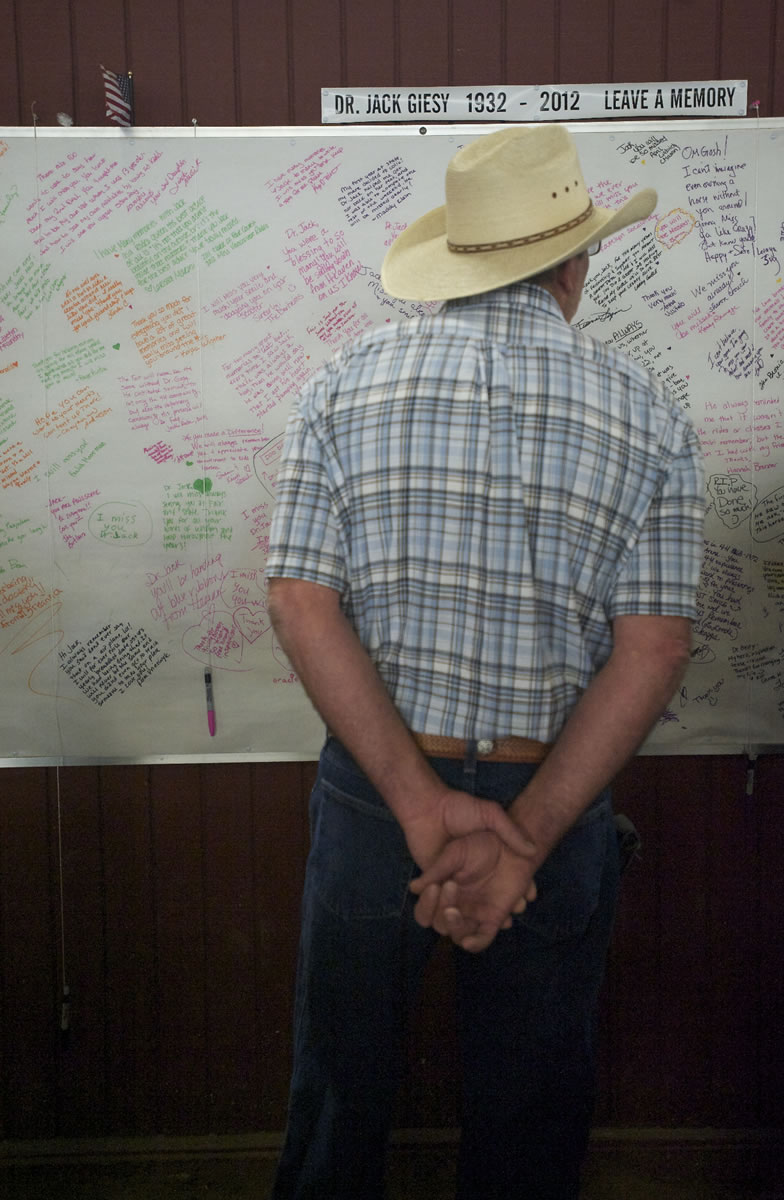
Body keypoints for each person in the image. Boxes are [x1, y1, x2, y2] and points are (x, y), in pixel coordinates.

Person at [264, 124, 705, 1200]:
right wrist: (524, 839)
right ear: (575, 265)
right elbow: (654, 646)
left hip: (378, 799)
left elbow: (298, 603)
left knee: (338, 1095)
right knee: (531, 1113)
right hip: (548, 799)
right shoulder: (651, 415)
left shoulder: (339, 385)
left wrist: (420, 809)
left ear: (459, 262)